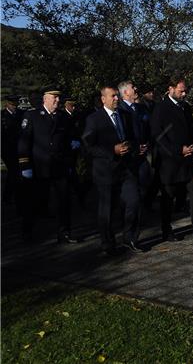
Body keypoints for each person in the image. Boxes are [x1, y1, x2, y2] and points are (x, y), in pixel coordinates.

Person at [82, 85, 144, 255]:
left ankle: (130, 237)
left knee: (134, 201)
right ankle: (107, 242)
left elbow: (132, 137)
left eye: (117, 96)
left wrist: (134, 147)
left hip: (125, 169)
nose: (116, 99)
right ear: (103, 99)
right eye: (113, 96)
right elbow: (88, 146)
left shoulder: (125, 116)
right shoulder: (94, 119)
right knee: (106, 209)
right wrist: (112, 150)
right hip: (105, 171)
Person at [16, 87, 79, 244]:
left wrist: (70, 160)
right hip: (39, 166)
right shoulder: (32, 116)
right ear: (45, 99)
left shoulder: (63, 117)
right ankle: (27, 232)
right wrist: (25, 166)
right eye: (54, 98)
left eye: (58, 98)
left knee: (64, 201)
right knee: (34, 201)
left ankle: (64, 232)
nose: (58, 101)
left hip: (59, 166)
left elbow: (68, 140)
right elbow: (24, 142)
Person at [151, 77, 193, 241]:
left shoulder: (186, 107)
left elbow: (192, 130)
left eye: (185, 90)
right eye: (181, 90)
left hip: (188, 160)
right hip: (170, 162)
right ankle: (167, 230)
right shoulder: (160, 109)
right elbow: (157, 136)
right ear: (171, 89)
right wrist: (178, 150)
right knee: (168, 197)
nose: (184, 93)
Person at [1, 95, 23, 207]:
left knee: (15, 172)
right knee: (14, 171)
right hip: (7, 149)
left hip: (19, 147)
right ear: (7, 104)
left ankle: (10, 196)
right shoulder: (2, 116)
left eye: (16, 104)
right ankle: (9, 196)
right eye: (12, 104)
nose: (14, 106)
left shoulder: (21, 114)